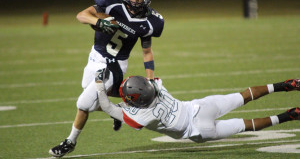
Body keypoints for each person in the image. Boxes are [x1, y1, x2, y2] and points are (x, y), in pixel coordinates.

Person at [49, 0, 164, 157]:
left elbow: (147, 51)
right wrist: (98, 21)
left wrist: (151, 80)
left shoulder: (151, 22)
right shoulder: (111, 0)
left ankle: (70, 142)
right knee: (92, 99)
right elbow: (81, 15)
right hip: (95, 56)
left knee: (84, 103)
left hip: (114, 65)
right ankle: (118, 111)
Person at [96, 73, 300, 143]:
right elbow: (149, 78)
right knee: (243, 95)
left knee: (246, 125)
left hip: (199, 130)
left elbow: (107, 107)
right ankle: (285, 85)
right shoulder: (157, 85)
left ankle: (289, 115)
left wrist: (98, 84)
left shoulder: (141, 117)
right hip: (201, 107)